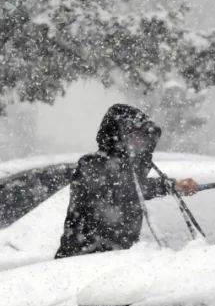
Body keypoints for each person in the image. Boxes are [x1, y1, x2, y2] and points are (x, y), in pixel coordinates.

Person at [55, 104, 198, 258]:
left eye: (143, 139)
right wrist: (166, 185)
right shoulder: (91, 165)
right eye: (136, 137)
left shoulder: (130, 169)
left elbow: (130, 187)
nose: (140, 144)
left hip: (121, 260)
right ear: (118, 135)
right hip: (82, 260)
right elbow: (121, 189)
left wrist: (173, 185)